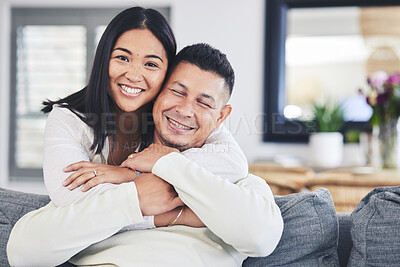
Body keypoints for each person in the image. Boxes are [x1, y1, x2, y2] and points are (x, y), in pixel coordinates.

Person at [7, 43, 284, 267]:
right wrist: (137, 199)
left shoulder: (239, 184)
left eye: (203, 102)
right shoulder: (101, 182)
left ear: (221, 116)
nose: (185, 110)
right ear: (157, 94)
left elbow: (261, 237)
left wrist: (165, 164)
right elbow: (24, 252)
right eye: (177, 91)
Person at [39, 6, 248, 232]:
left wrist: (130, 174)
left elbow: (233, 163)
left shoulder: (173, 116)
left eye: (151, 64)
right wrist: (164, 212)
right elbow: (70, 199)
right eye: (122, 58)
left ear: (167, 73)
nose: (134, 75)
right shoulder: (67, 118)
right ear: (103, 60)